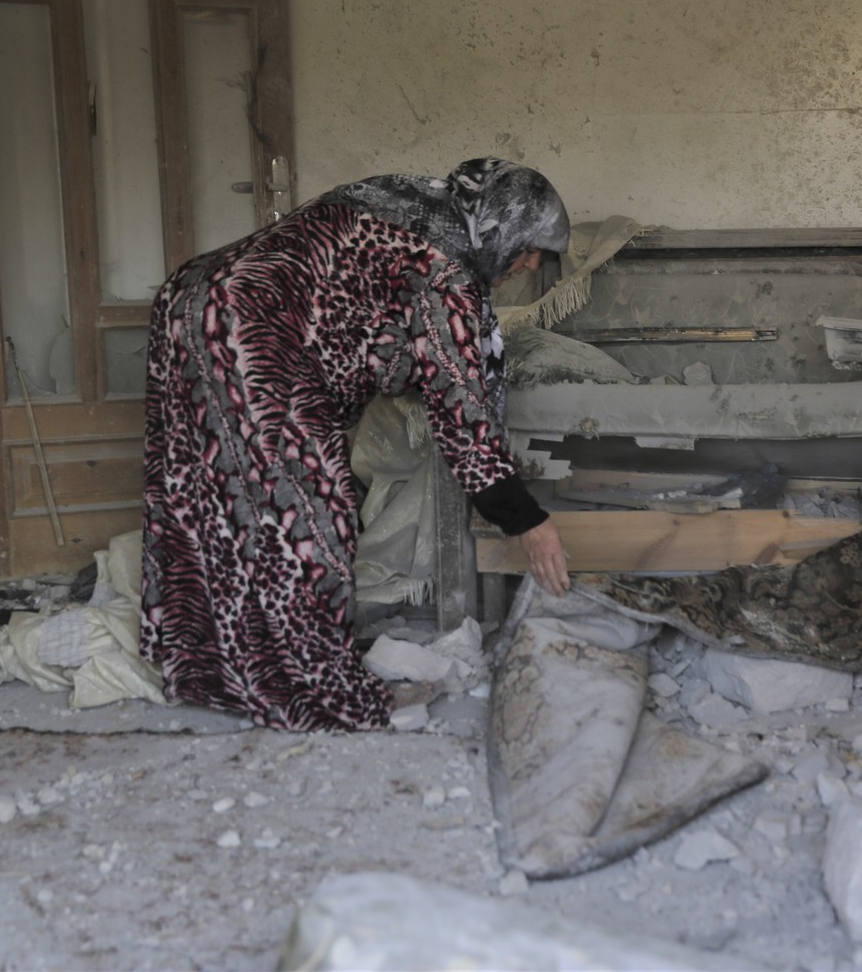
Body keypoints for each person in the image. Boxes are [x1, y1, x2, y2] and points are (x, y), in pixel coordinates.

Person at [139, 158, 571, 731]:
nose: (532, 262)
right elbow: (463, 422)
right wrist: (527, 521)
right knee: (311, 522)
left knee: (209, 500)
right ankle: (314, 695)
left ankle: (204, 670)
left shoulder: (413, 198)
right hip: (254, 331)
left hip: (191, 299)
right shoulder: (445, 271)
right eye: (531, 247)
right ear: (502, 226)